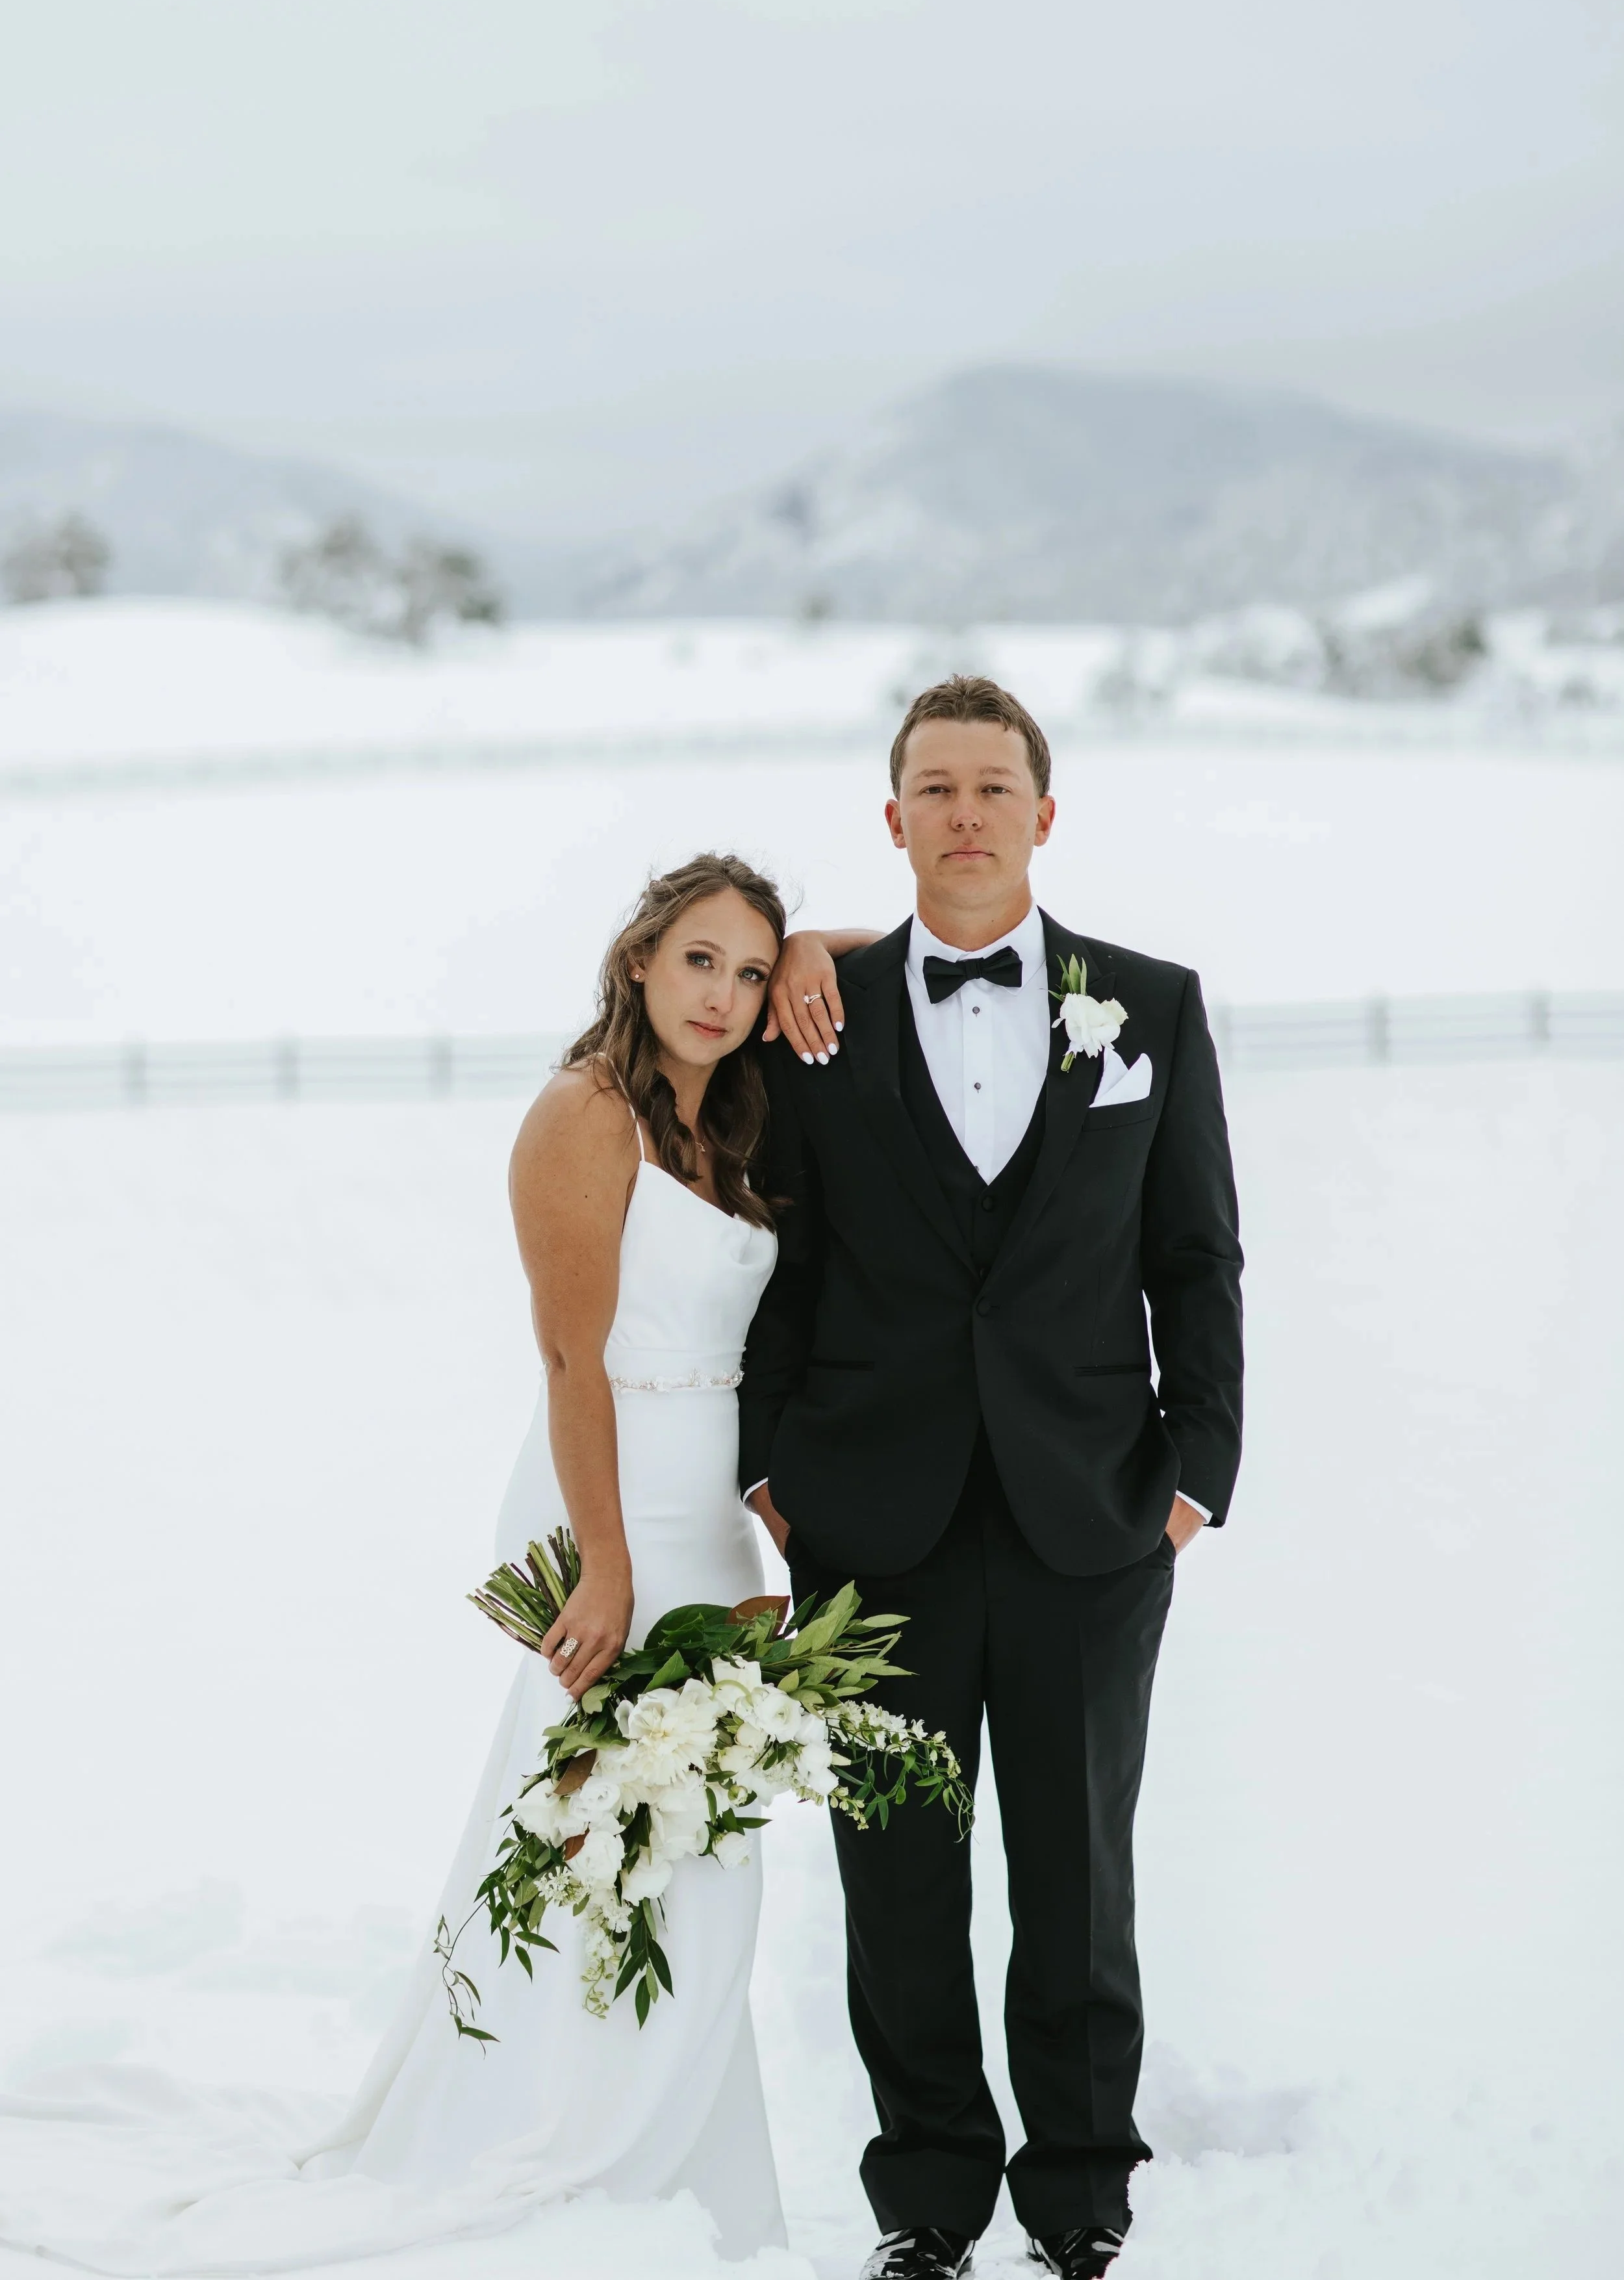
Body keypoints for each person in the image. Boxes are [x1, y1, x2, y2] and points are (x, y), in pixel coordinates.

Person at [0, 853, 793, 2272]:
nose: (725, 993)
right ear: (634, 958)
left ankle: (662, 2152)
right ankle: (550, 2133)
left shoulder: (714, 1125)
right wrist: (603, 1564)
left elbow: (853, 956)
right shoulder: (585, 1113)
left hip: (706, 1513)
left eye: (749, 969)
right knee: (595, 1832)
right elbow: (568, 1355)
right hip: (604, 1500)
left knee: (693, 1850)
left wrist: (808, 961)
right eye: (698, 959)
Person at [741, 676, 1245, 2280]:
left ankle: (1081, 2197)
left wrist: (1198, 1473)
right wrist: (768, 1466)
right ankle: (928, 2203)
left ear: (1044, 809)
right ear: (890, 819)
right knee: (894, 1872)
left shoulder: (1148, 1007)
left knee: (1076, 1873)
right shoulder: (810, 1014)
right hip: (868, 1517)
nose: (964, 812)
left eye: (992, 785)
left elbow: (1194, 1253)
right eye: (933, 788)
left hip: (1090, 1513)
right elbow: (777, 1258)